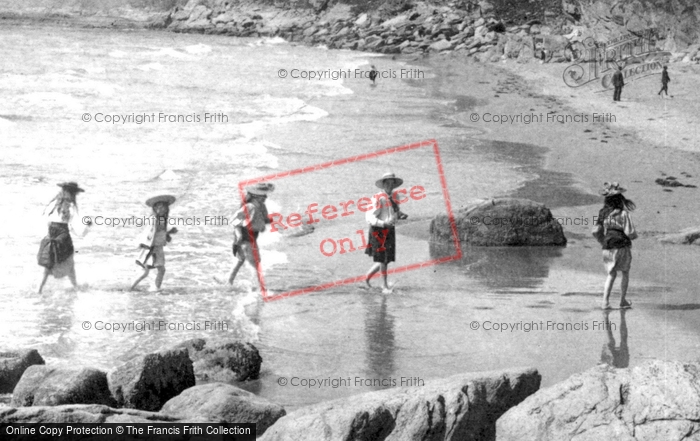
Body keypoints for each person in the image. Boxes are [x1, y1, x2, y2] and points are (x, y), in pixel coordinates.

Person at [37, 182, 91, 293]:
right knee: (69, 264)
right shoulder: (69, 205)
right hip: (63, 237)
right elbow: (68, 224)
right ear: (72, 193)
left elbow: (47, 219)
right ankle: (76, 287)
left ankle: (39, 290)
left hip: (50, 235)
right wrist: (87, 228)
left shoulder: (54, 203)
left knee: (47, 265)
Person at [592, 182, 637, 310]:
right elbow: (630, 232)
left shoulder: (602, 213)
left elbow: (595, 231)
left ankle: (605, 302)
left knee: (611, 275)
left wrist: (602, 241)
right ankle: (622, 301)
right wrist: (633, 237)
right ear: (620, 199)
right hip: (621, 245)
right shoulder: (623, 213)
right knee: (625, 272)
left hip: (607, 246)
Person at [365, 172, 408, 294]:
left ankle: (367, 277)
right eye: (387, 183)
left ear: (394, 184)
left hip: (389, 229)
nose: (390, 185)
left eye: (392, 183)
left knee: (387, 259)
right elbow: (369, 217)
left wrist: (400, 215)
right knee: (383, 259)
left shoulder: (395, 196)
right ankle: (384, 286)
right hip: (378, 230)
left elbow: (395, 211)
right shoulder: (377, 198)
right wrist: (383, 224)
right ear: (383, 184)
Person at [228, 182, 275, 289]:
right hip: (245, 237)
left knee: (241, 260)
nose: (266, 197)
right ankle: (261, 289)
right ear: (255, 196)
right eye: (263, 195)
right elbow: (235, 221)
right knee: (256, 263)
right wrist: (238, 238)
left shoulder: (261, 206)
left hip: (252, 237)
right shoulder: (250, 206)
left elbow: (265, 220)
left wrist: (276, 219)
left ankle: (228, 281)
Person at [130, 195, 178, 291]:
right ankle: (133, 287)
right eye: (158, 206)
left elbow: (159, 233)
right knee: (148, 271)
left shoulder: (161, 219)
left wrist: (169, 233)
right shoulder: (155, 219)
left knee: (157, 270)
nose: (161, 209)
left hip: (157, 248)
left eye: (163, 206)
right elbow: (149, 233)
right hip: (152, 248)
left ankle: (154, 288)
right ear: (155, 208)